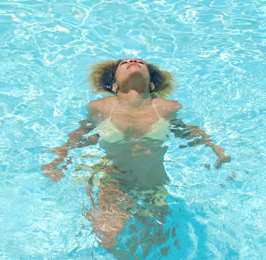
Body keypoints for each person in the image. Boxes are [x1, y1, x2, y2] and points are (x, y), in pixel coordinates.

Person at [41, 58, 230, 258]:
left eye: (140, 62)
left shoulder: (167, 107)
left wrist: (216, 150)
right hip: (114, 179)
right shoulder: (100, 107)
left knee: (158, 242)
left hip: (153, 182)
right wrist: (59, 160)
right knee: (108, 237)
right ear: (114, 85)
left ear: (151, 84)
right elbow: (80, 137)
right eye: (124, 63)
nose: (133, 60)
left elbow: (188, 132)